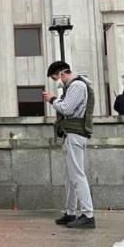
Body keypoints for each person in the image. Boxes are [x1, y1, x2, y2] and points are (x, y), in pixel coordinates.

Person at [42, 61, 95, 230]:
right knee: (70, 177)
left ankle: (88, 215)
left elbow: (66, 108)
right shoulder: (75, 85)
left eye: (55, 78)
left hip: (75, 134)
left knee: (77, 176)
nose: (57, 82)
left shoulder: (77, 85)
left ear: (62, 74)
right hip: (71, 133)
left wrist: (52, 99)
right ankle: (70, 212)